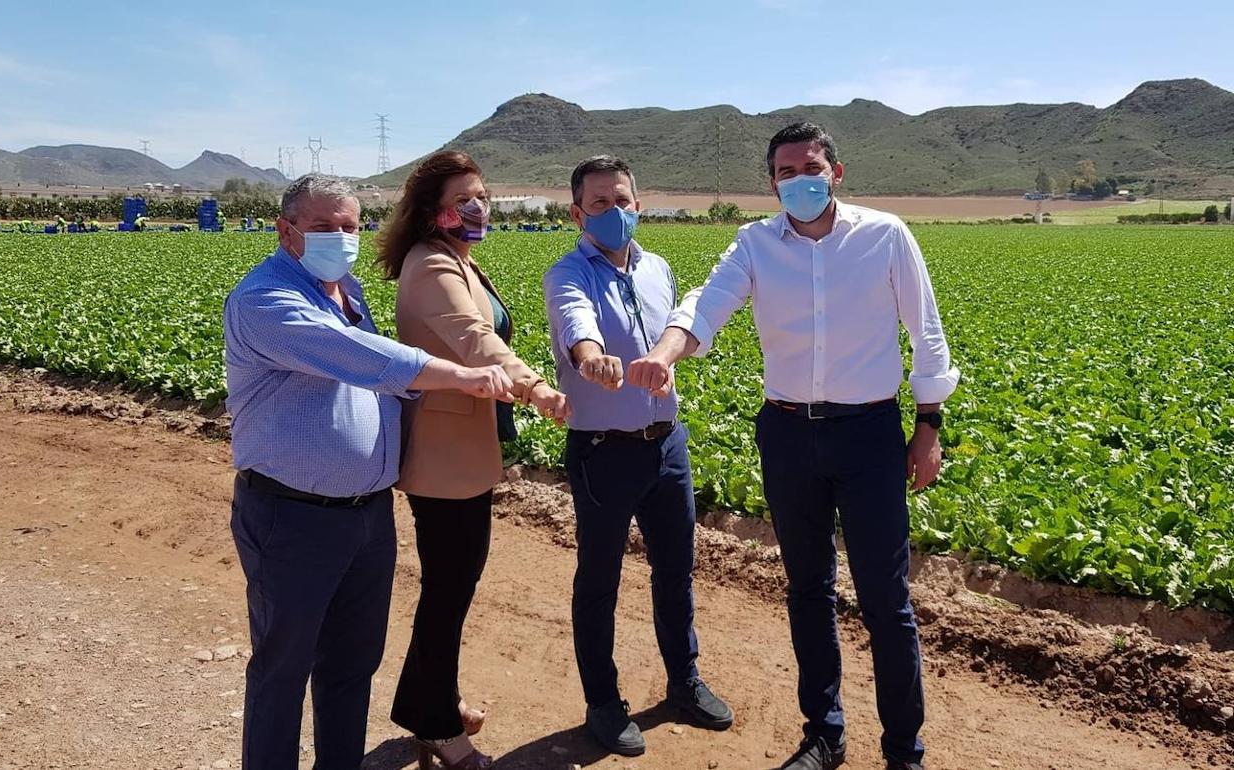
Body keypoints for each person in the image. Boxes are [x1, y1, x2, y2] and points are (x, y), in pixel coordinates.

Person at [627, 123, 959, 770]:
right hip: (786, 434)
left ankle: (903, 752)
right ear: (772, 182)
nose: (797, 180)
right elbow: (708, 302)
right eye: (783, 172)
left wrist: (928, 426)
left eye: (809, 167)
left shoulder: (885, 235)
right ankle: (824, 734)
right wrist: (667, 352)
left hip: (868, 434)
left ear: (835, 172)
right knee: (807, 589)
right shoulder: (755, 243)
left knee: (885, 601)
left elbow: (927, 330)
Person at [223, 173, 515, 770]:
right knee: (284, 668)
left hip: (367, 516)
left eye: (350, 227)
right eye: (323, 227)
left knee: (352, 667)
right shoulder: (266, 299)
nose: (340, 237)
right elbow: (360, 359)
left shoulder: (346, 289)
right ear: (286, 231)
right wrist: (459, 377)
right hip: (292, 514)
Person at [378, 150, 571, 770]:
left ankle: (427, 701)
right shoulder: (433, 264)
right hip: (444, 457)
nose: (478, 206)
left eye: (482, 195)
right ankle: (435, 722)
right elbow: (476, 340)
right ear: (434, 210)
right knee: (448, 589)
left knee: (451, 586)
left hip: (462, 448)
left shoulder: (459, 258)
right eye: (464, 198)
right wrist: (535, 386)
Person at [542, 155, 732, 757]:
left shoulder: (659, 269)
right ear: (577, 213)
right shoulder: (567, 273)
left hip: (666, 445)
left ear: (638, 205)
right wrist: (591, 355)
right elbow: (577, 325)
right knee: (599, 581)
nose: (614, 212)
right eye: (599, 204)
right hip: (603, 452)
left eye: (622, 201)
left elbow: (677, 338)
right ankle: (603, 701)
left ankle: (684, 682)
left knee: (676, 571)